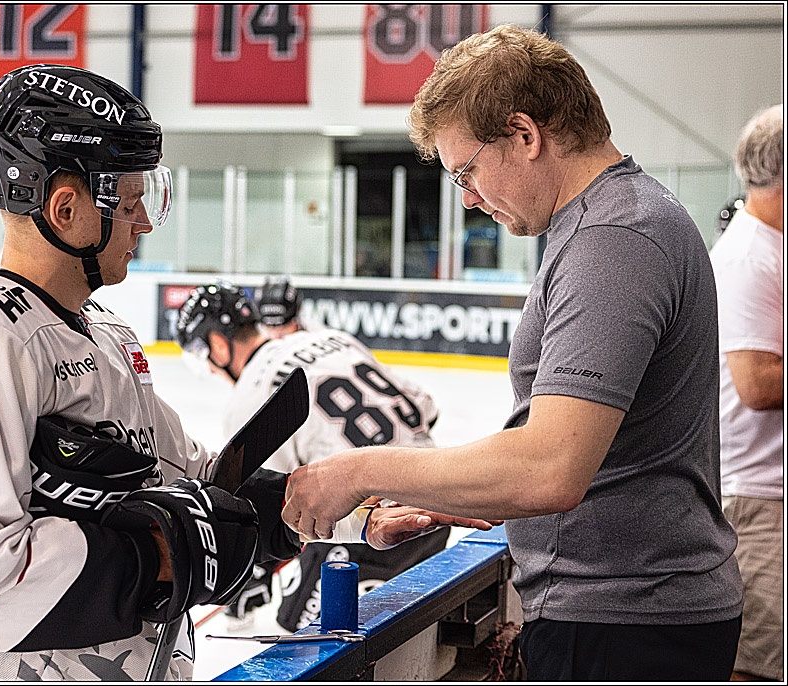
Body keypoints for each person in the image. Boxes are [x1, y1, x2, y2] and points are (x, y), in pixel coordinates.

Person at [0, 65, 472, 682]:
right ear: (64, 207)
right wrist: (162, 555)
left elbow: (199, 478)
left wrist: (355, 513)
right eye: (132, 202)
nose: (145, 222)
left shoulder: (105, 335)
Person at [281, 24, 744, 681]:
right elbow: (608, 455)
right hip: (633, 613)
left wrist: (358, 471)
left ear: (525, 135)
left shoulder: (613, 239)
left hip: (624, 624)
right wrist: (453, 497)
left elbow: (551, 469)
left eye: (467, 171)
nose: (468, 199)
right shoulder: (612, 221)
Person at [175, 282, 464, 633]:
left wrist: (258, 569)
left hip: (367, 531)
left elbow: (284, 506)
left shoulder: (246, 401)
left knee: (301, 641)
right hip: (433, 504)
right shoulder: (334, 339)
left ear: (218, 345)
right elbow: (425, 408)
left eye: (202, 354)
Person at [709, 104, 783, 682]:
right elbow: (756, 384)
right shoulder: (748, 258)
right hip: (759, 502)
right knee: (756, 668)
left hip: (768, 497)